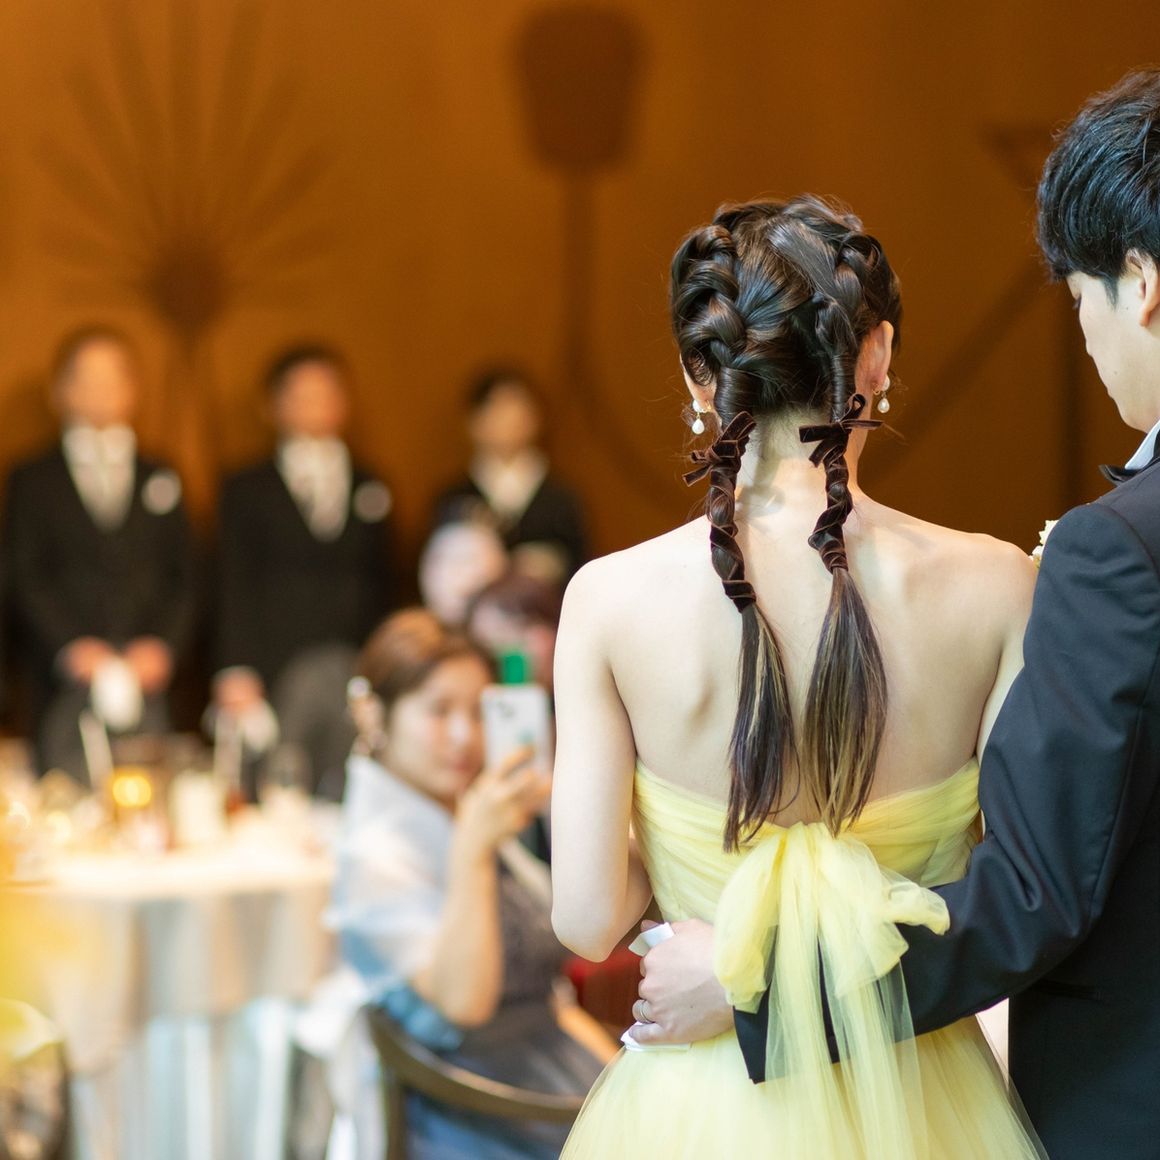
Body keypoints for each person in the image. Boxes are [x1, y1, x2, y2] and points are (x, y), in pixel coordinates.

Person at [628, 72, 1160, 1160]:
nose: (1086, 336)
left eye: (1078, 298)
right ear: (873, 360)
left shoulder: (1117, 547)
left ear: (1139, 283)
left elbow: (1038, 891)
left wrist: (755, 987)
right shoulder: (1006, 579)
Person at [550, 198, 1043, 1156]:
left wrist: (681, 850)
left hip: (699, 1102)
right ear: (878, 356)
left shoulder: (608, 600)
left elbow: (586, 917)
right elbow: (1022, 889)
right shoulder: (997, 586)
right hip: (925, 1093)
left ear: (700, 374)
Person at [314, 608, 611, 1160]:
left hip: (554, 1069)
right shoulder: (374, 854)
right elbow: (464, 1004)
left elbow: (551, 990)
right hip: (477, 1106)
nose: (464, 736)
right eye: (439, 710)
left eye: (478, 712)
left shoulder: (464, 813)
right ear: (375, 714)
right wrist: (472, 849)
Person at [3, 328, 195, 780]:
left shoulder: (161, 474)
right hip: (60, 680)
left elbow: (186, 573)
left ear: (133, 388)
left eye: (113, 378)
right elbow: (24, 572)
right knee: (64, 792)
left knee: (148, 785)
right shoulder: (32, 479)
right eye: (87, 379)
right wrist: (72, 646)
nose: (101, 390)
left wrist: (162, 645)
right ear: (60, 391)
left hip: (150, 677)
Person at [213, 345, 397, 797]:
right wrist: (236, 668)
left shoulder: (371, 484)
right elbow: (231, 582)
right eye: (301, 394)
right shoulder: (246, 488)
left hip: (354, 663)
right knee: (278, 780)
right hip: (274, 663)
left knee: (352, 778)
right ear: (273, 405)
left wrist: (386, 666)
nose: (315, 405)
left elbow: (385, 580)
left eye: (327, 393)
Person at [433, 368, 588, 585]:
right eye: (496, 408)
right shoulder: (453, 498)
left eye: (518, 406)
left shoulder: (560, 498)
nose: (509, 419)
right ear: (474, 422)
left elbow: (581, 568)